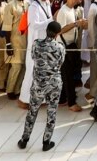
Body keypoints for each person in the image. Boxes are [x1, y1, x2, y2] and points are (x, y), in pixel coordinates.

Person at [20, 20, 65, 151]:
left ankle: (24, 140)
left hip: (39, 84)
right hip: (54, 83)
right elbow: (60, 62)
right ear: (57, 34)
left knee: (32, 111)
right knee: (52, 112)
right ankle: (46, 142)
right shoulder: (60, 47)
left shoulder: (36, 44)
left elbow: (34, 57)